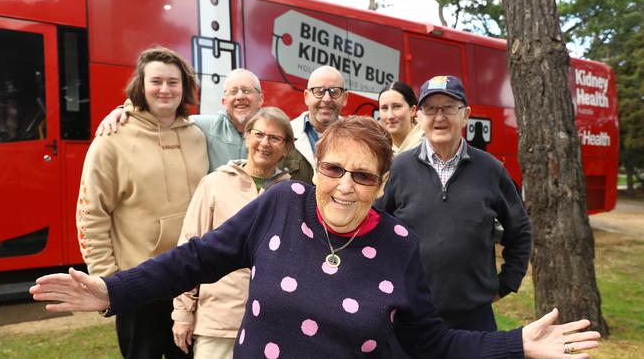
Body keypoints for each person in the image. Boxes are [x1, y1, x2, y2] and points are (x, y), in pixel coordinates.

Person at [33, 117, 599, 359]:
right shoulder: (279, 206)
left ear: (382, 186)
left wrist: (515, 344)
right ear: (316, 168)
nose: (345, 188)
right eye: (333, 169)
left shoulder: (400, 246)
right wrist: (112, 291)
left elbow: (432, 343)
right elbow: (194, 260)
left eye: (362, 176)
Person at [75, 46, 208, 359]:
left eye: (173, 82)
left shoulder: (197, 135)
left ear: (185, 87)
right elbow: (91, 213)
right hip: (138, 285)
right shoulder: (112, 139)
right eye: (156, 81)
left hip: (191, 282)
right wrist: (109, 283)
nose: (165, 89)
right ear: (141, 85)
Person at [377, 75, 532, 332]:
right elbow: (377, 227)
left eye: (449, 107)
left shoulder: (491, 170)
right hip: (410, 315)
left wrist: (506, 283)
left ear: (466, 115)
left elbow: (521, 231)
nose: (439, 117)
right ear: (418, 116)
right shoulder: (399, 168)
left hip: (474, 319)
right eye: (430, 108)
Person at [171, 107, 293, 358]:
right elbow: (189, 250)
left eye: (275, 138)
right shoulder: (214, 184)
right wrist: (183, 313)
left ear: (287, 148)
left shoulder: (292, 195)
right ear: (247, 137)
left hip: (272, 325)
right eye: (259, 134)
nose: (265, 143)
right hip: (219, 323)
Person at [97, 68, 313, 183]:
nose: (240, 97)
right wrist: (124, 109)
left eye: (247, 91)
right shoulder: (201, 126)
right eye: (233, 92)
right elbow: (161, 117)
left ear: (261, 99)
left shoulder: (276, 132)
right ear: (223, 100)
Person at [283, 65, 348, 176]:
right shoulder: (284, 134)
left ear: (345, 98)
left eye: (334, 92)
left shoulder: (357, 139)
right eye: (319, 91)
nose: (327, 99)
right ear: (306, 97)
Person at [377, 81, 424, 155]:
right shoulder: (375, 147)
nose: (390, 116)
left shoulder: (430, 144)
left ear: (413, 110)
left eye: (396, 107)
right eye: (384, 108)